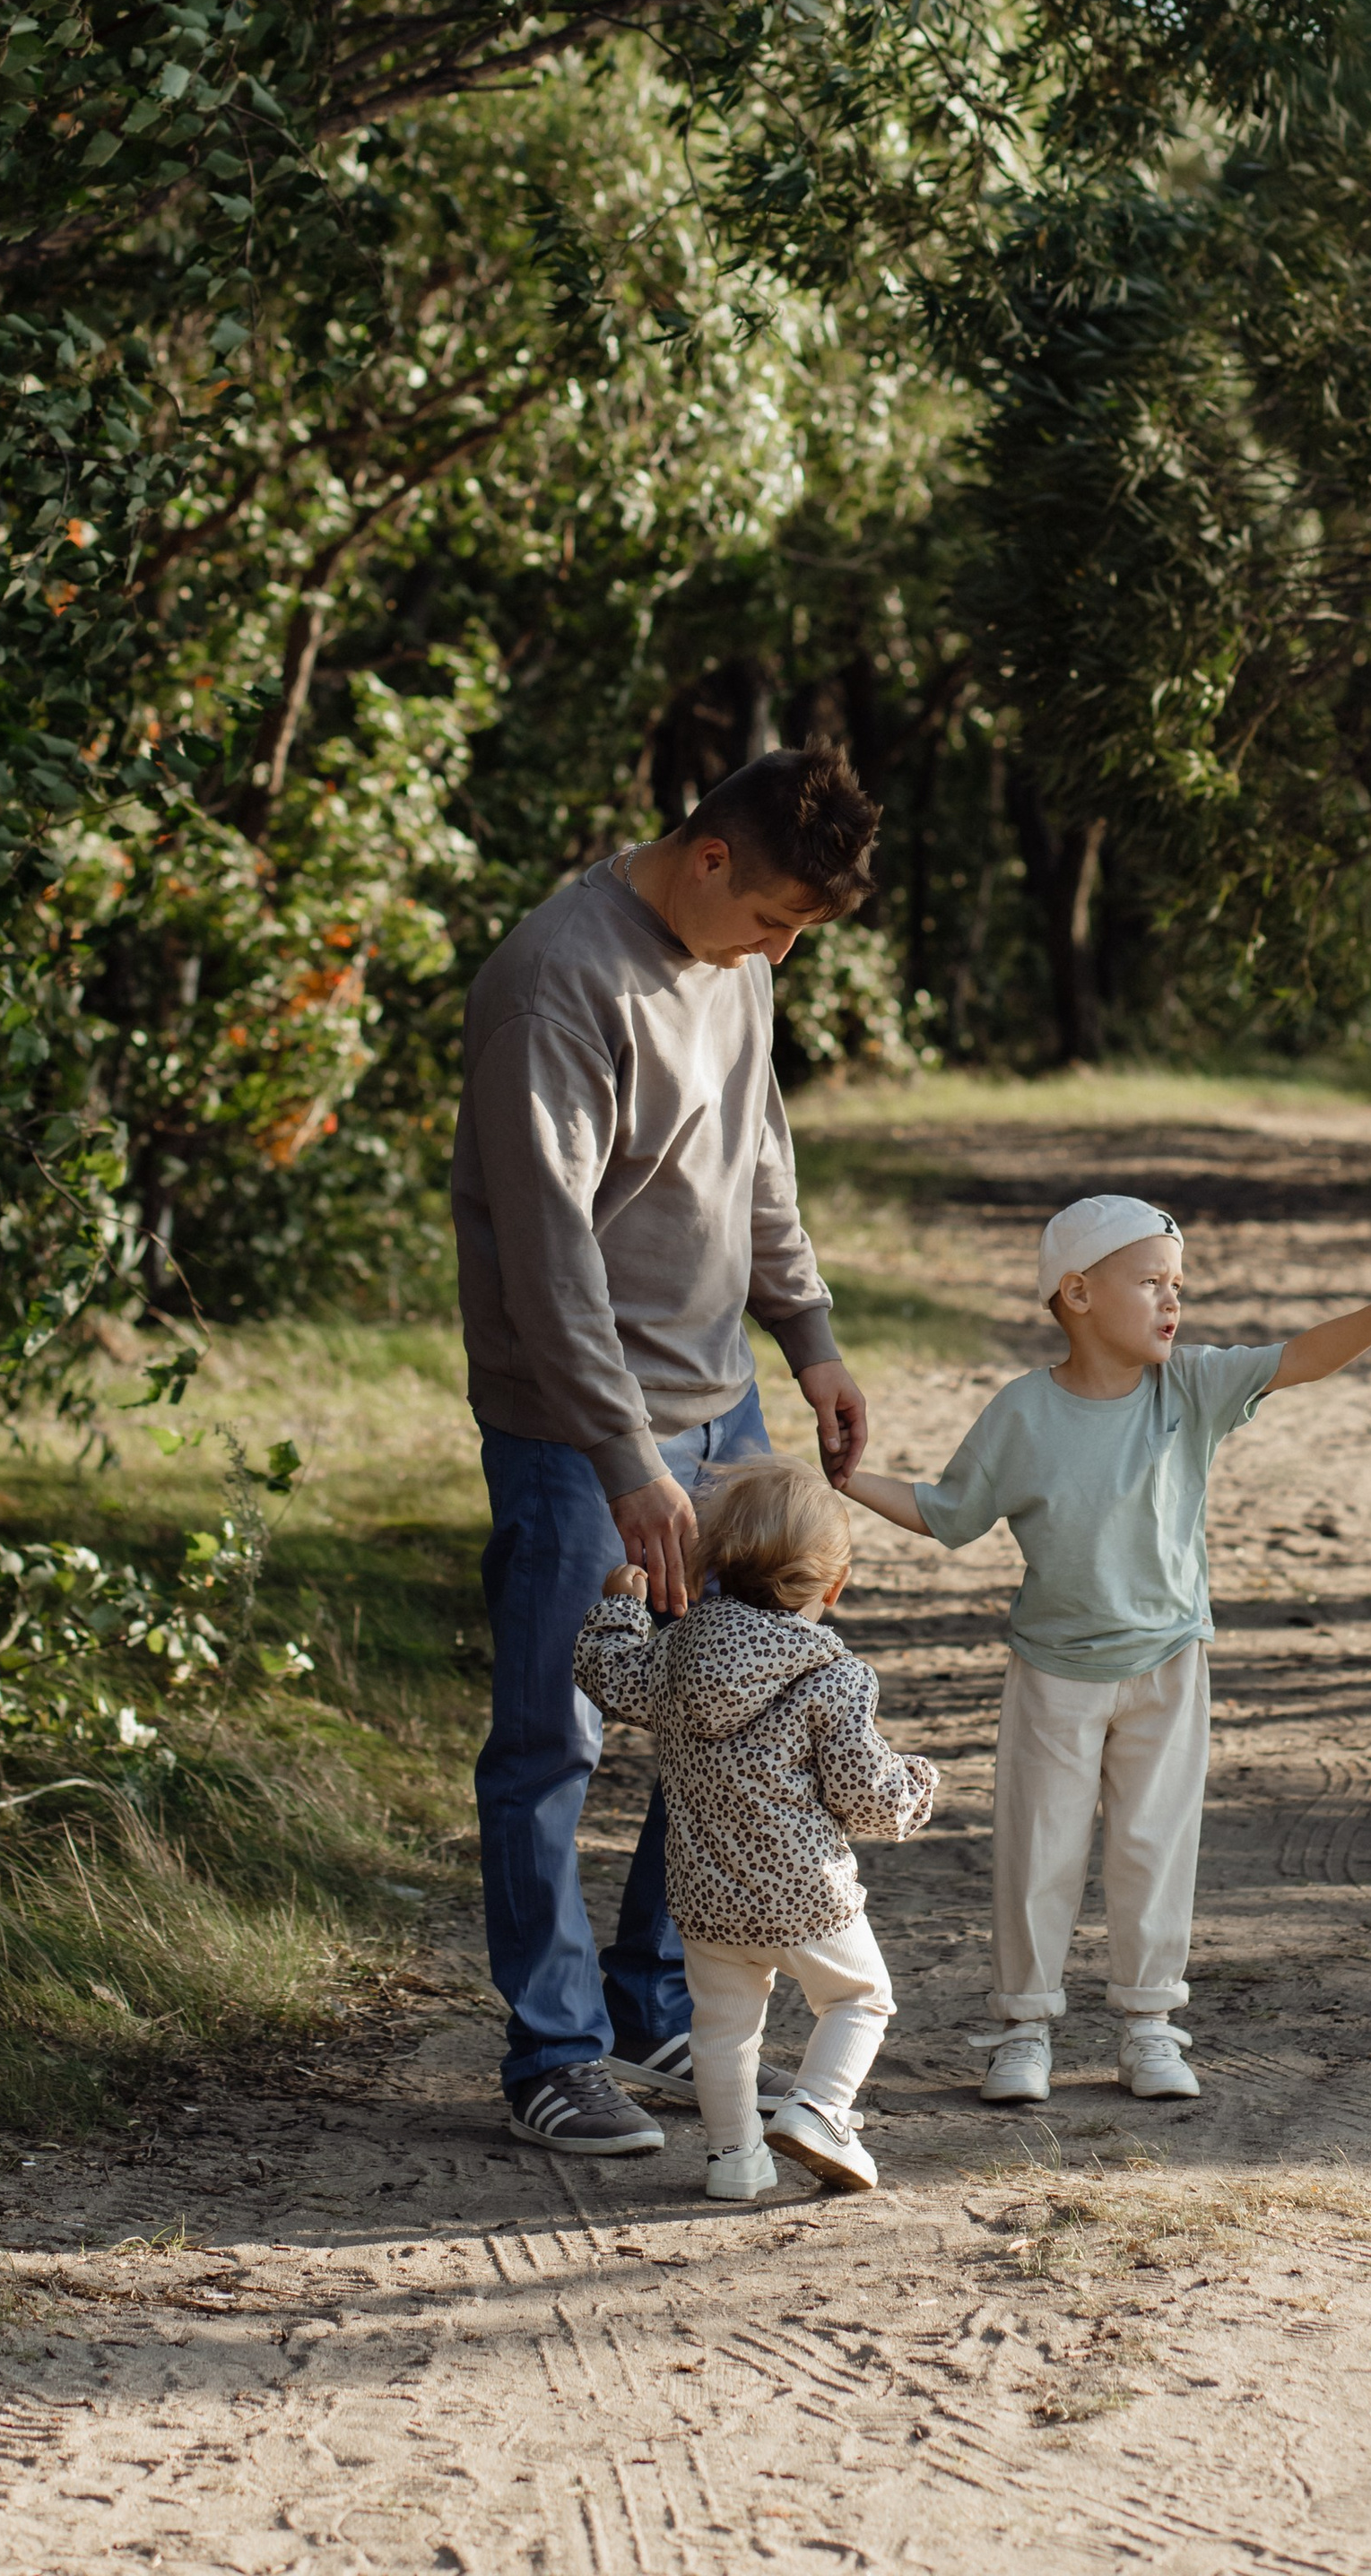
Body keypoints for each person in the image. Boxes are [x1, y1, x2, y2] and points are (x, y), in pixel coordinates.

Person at [454, 744, 881, 2155]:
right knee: (554, 1736)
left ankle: (652, 2003)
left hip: (723, 1412)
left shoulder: (740, 964)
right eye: (774, 920)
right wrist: (626, 1459)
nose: (780, 951)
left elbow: (759, 1164)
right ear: (708, 858)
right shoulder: (554, 980)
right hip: (579, 1433)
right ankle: (551, 2055)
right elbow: (550, 1255)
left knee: (730, 1717)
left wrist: (807, 1333)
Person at [838, 1193, 1371, 2107]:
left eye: (1180, 1284)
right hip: (1052, 1671)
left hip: (1168, 1661)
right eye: (1152, 1283)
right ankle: (1022, 2030)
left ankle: (1148, 2026)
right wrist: (844, 1480)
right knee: (1037, 1851)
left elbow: (1296, 1359)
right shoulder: (1020, 1415)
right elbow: (947, 1514)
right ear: (1078, 1293)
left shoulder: (1193, 1386)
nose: (1174, 1301)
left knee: (1153, 1845)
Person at [574, 1455, 936, 2199]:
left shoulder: (674, 1656)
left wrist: (618, 1608)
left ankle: (733, 2162)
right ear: (831, 1587)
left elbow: (607, 1675)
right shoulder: (832, 1677)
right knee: (860, 1998)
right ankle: (819, 2110)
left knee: (723, 2030)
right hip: (807, 1895)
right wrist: (917, 1787)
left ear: (712, 1565)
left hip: (707, 1901)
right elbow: (868, 1796)